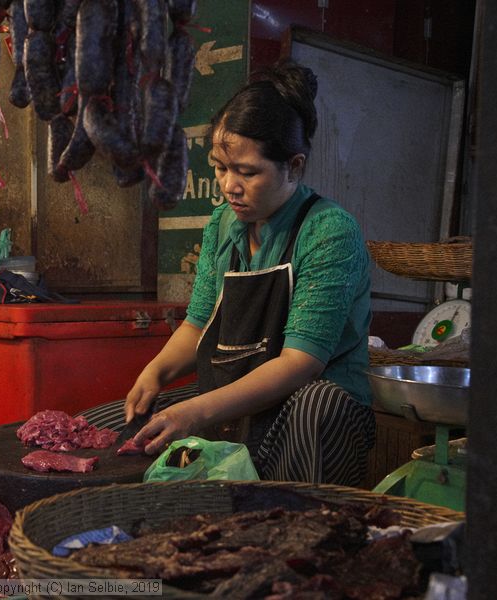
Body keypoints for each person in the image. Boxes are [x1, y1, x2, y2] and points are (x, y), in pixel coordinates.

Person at [125, 61, 375, 486]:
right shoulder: (222, 225)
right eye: (221, 167)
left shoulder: (329, 231)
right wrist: (155, 373)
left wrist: (197, 411)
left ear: (294, 167)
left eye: (248, 172)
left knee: (316, 404)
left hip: (311, 410)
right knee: (122, 427)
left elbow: (300, 364)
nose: (228, 185)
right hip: (240, 401)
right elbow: (197, 325)